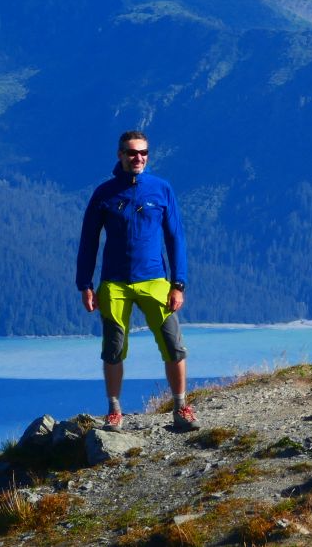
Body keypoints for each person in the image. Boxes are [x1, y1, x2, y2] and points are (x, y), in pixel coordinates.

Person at [75, 130, 196, 430]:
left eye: (143, 153)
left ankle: (181, 407)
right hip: (114, 282)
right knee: (113, 348)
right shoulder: (104, 193)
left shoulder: (161, 189)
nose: (138, 158)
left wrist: (178, 283)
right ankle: (114, 410)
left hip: (155, 280)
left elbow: (176, 238)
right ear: (120, 155)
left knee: (173, 345)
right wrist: (85, 284)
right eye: (131, 153)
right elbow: (88, 240)